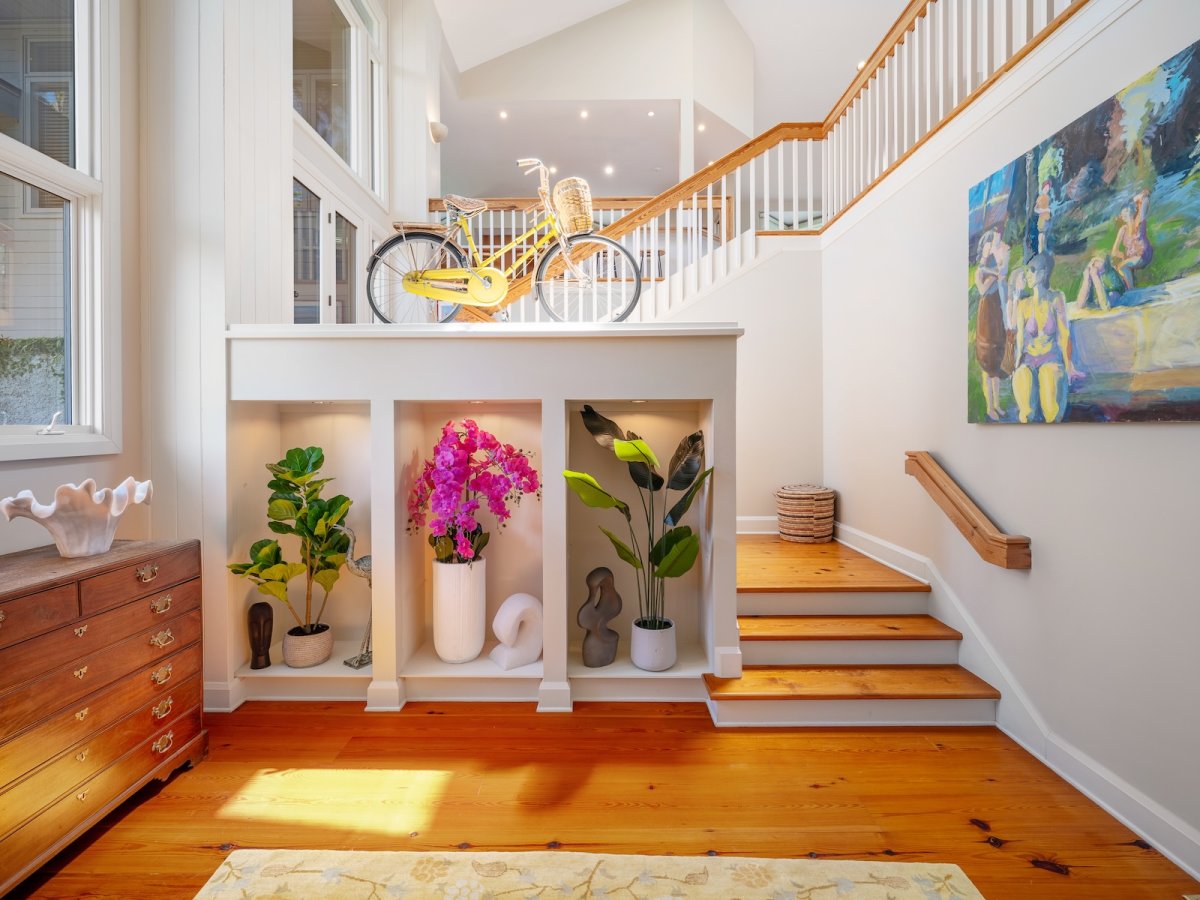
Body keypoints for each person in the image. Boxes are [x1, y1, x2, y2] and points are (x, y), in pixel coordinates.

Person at [1012, 252, 1079, 423]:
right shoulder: (1023, 305)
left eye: (1032, 270)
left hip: (1051, 357)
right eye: (1027, 270)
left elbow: (1064, 335)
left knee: (1052, 413)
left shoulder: (1056, 298)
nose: (1027, 274)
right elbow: (1020, 339)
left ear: (1043, 274)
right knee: (1026, 413)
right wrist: (1016, 364)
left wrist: (1069, 365)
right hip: (1029, 359)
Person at [973, 230, 1013, 421]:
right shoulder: (981, 269)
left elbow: (1003, 273)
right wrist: (993, 273)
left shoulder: (994, 264)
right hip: (986, 317)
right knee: (986, 363)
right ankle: (989, 406)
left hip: (997, 314)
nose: (998, 244)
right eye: (993, 242)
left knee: (996, 363)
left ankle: (996, 404)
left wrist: (996, 273)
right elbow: (982, 288)